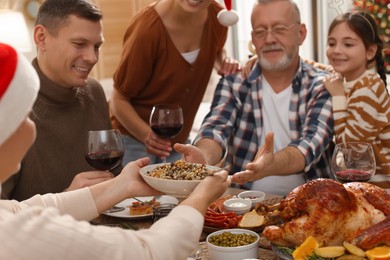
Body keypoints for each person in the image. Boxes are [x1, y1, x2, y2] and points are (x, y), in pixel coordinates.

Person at [0, 42, 231, 260]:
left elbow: (26, 208)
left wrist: (122, 185)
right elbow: (150, 252)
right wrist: (201, 195)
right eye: (24, 112)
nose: (32, 121)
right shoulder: (10, 233)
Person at [175, 0, 334, 196]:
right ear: (253, 38)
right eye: (260, 31)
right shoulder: (234, 83)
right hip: (240, 203)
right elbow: (216, 127)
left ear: (301, 33)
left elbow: (311, 144)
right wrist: (204, 156)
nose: (269, 39)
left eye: (279, 28)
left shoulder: (321, 85)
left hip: (313, 204)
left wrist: (272, 164)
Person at [1, 0, 117, 200]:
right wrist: (68, 199)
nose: (92, 57)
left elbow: (113, 172)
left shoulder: (94, 92)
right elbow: (4, 217)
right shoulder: (12, 103)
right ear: (42, 38)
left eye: (97, 46)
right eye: (79, 44)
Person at [109, 0, 241, 166]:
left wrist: (223, 62)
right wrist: (147, 136)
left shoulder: (218, 18)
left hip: (178, 139)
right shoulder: (147, 30)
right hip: (133, 140)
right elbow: (118, 100)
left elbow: (216, 50)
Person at [323, 11, 390, 189]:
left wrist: (338, 96)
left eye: (348, 44)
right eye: (331, 43)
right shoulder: (353, 79)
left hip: (381, 191)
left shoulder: (367, 89)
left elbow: (350, 152)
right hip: (365, 188)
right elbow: (319, 67)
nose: (337, 50)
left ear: (370, 51)